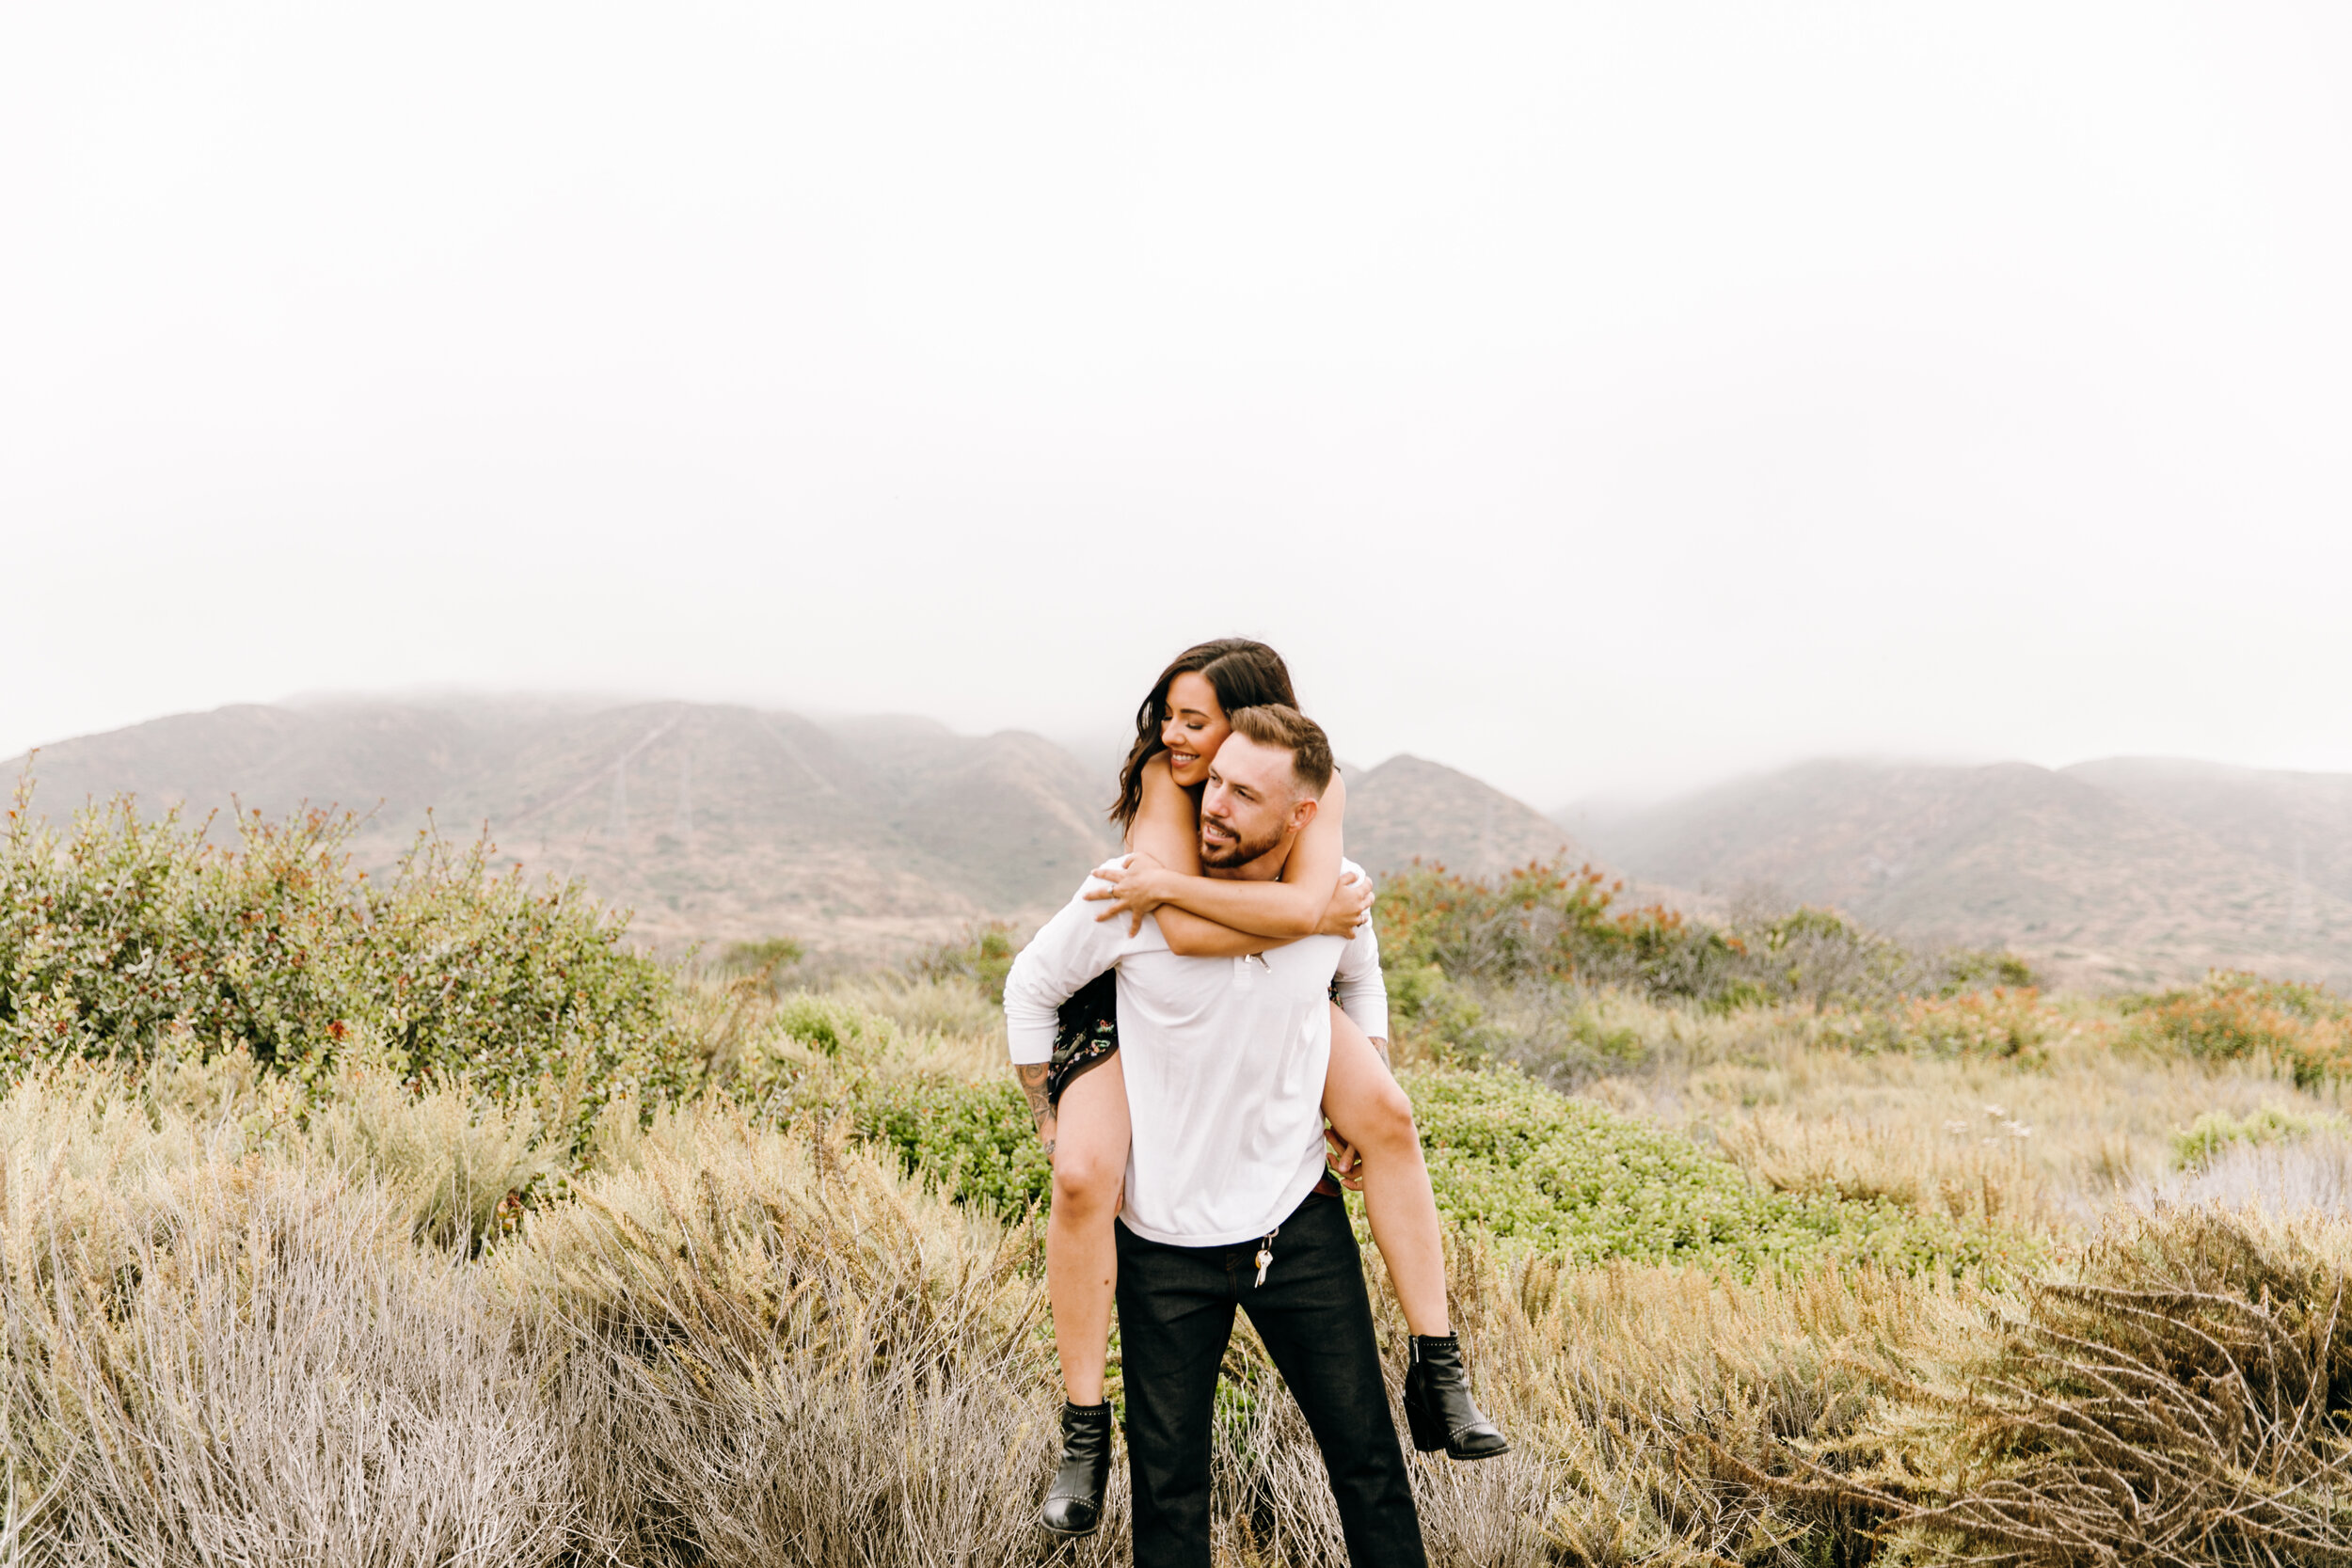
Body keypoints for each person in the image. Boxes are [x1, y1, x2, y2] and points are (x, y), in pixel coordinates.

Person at [1006, 705, 1441, 1566]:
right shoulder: (1130, 894)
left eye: (1245, 794)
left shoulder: (1336, 892)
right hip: (1166, 1247)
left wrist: (1366, 1076)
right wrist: (1049, 1115)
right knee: (1169, 1498)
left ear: (1301, 816)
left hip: (1298, 1222)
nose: (1214, 805)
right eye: (1214, 784)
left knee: (1369, 1466)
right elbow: (1030, 983)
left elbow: (1362, 973)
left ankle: (1446, 1373)